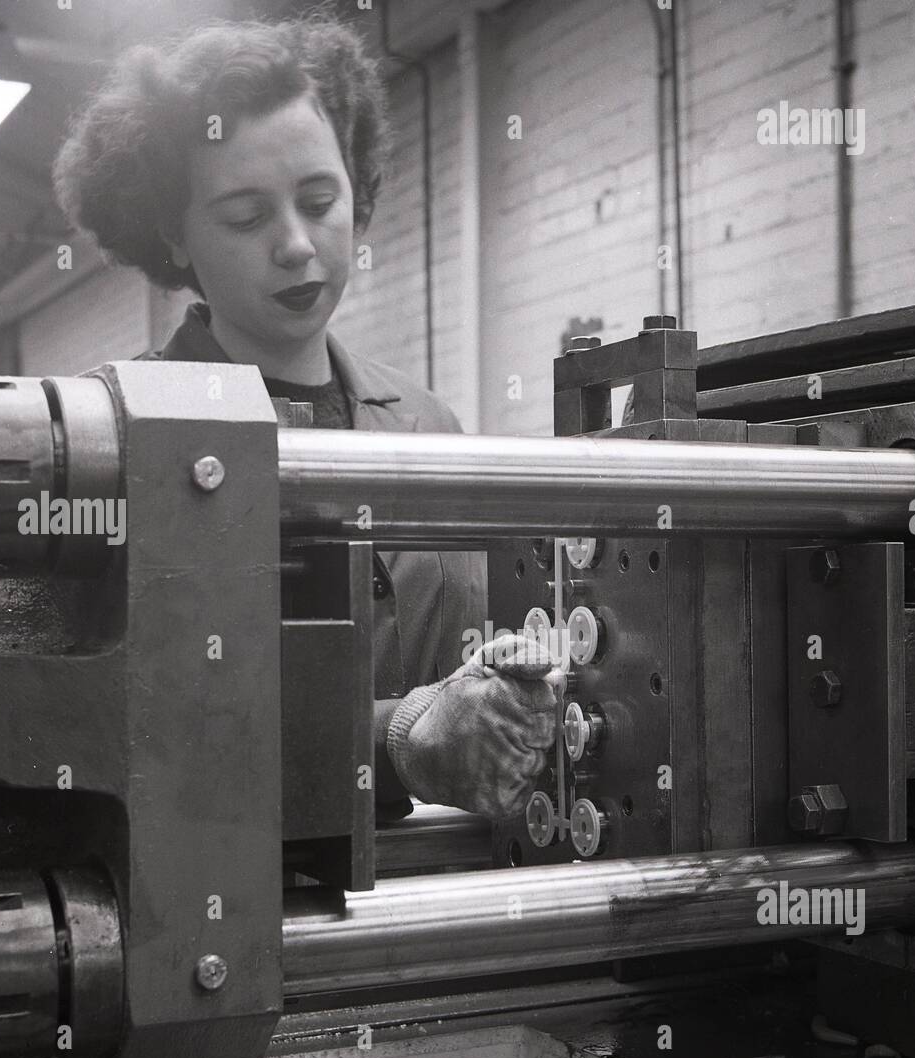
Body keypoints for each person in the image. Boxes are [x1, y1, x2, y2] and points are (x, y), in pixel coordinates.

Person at [52, 12, 559, 820]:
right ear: (172, 237)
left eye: (320, 199)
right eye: (246, 217)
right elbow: (125, 733)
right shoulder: (104, 438)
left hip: (457, 899)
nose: (295, 244)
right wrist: (397, 740)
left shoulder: (431, 426)